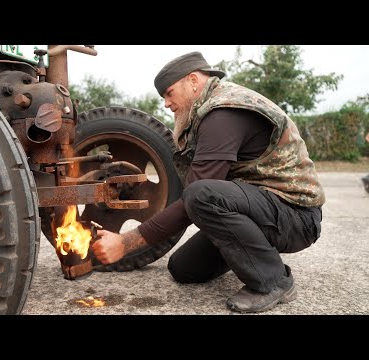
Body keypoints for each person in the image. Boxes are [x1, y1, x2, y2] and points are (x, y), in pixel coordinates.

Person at [91, 51, 325, 313]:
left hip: (295, 215)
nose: (167, 104)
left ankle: (273, 281)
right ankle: (254, 252)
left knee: (200, 195)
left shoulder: (223, 113)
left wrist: (127, 242)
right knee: (183, 268)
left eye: (169, 93)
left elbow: (197, 194)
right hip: (260, 207)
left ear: (192, 80)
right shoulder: (207, 112)